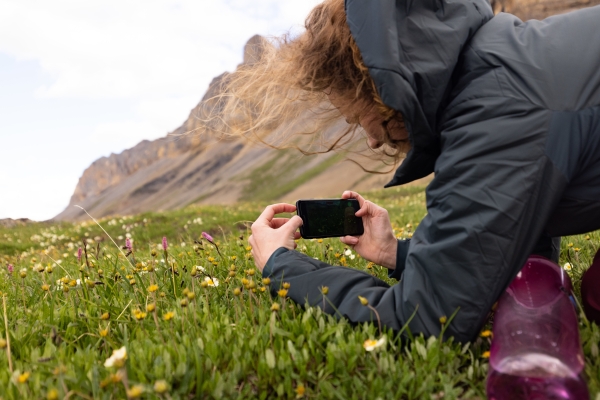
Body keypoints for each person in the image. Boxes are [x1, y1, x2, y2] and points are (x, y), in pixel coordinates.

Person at [209, 0, 600, 342]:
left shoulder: (494, 113)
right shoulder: (495, 66)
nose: (374, 140)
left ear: (378, 86)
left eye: (360, 118)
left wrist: (282, 265)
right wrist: (393, 252)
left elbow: (427, 317)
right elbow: (511, 254)